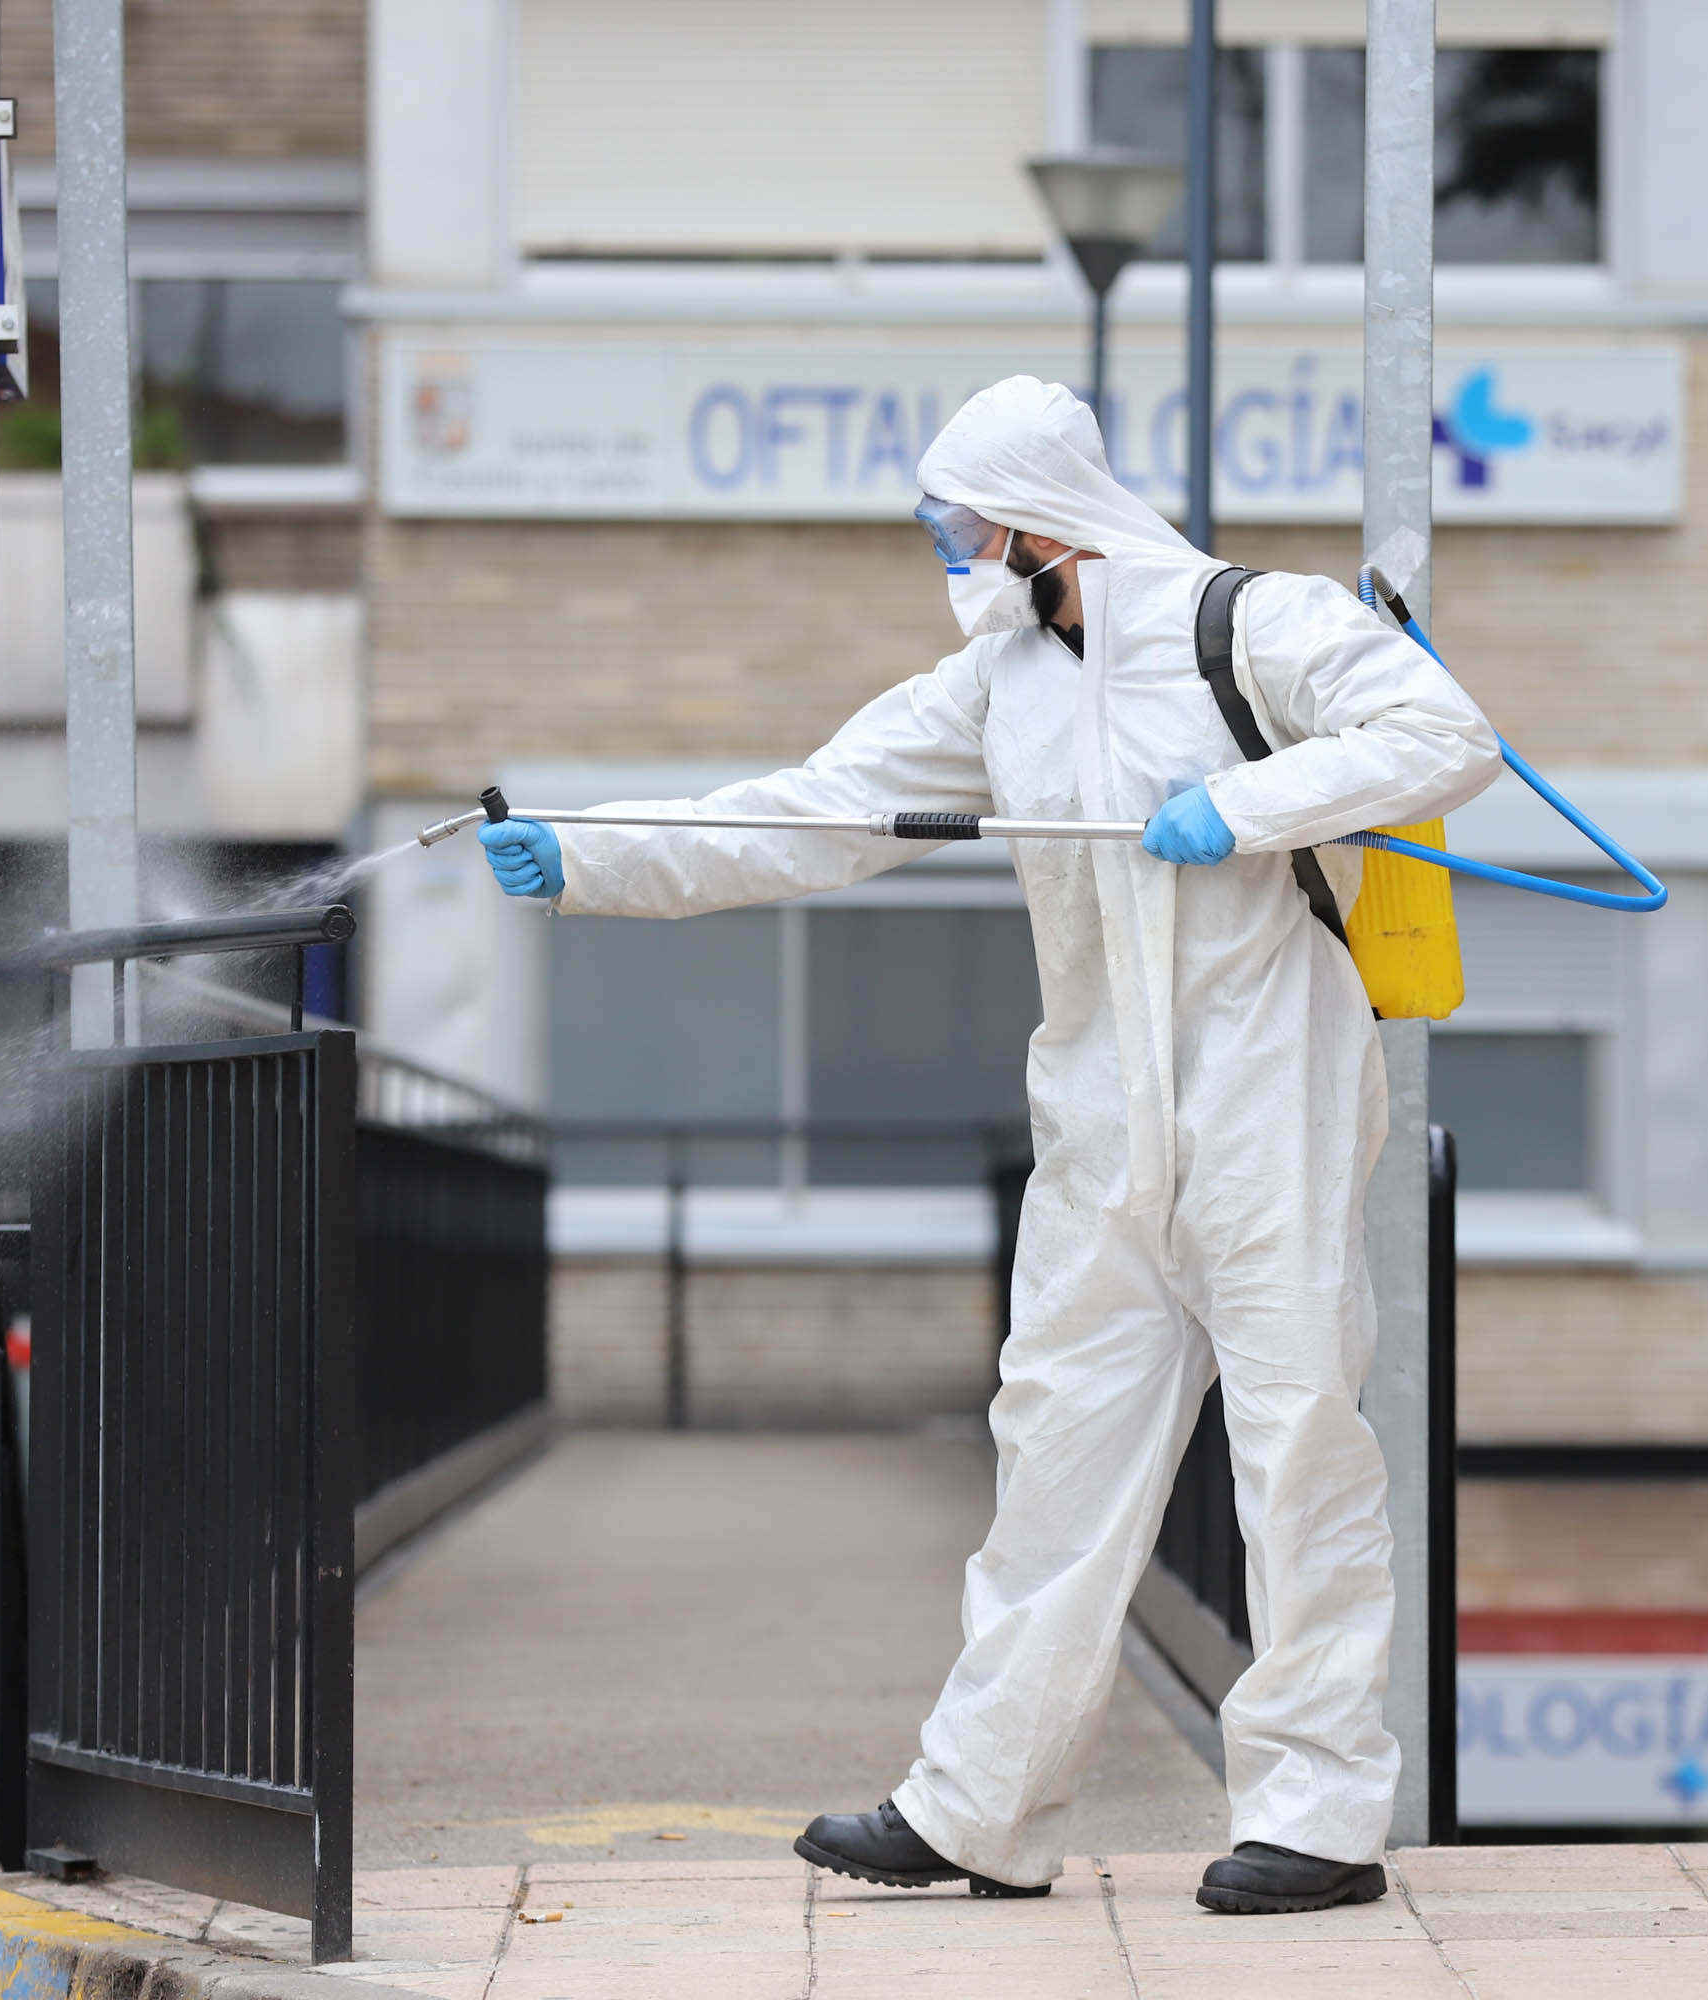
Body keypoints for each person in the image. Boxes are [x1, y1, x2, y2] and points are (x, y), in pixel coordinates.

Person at [479, 376, 1498, 1913]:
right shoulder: (1001, 684)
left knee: (1296, 1446)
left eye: (960, 523)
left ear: (1035, 517)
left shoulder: (1247, 624)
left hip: (1266, 1087)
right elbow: (815, 814)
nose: (949, 550)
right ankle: (979, 1810)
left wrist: (1250, 803)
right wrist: (586, 857)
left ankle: (1316, 1819)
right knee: (1057, 1452)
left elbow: (1444, 733)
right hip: (1098, 1117)